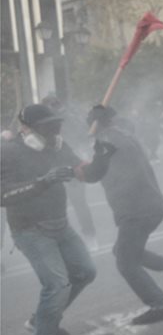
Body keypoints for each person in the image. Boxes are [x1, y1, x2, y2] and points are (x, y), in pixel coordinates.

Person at [1, 104, 115, 335]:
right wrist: (44, 181)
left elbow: (86, 173)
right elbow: (3, 195)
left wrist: (102, 159)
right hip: (30, 230)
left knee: (85, 272)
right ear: (27, 129)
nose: (55, 129)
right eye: (48, 125)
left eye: (57, 124)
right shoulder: (8, 152)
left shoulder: (57, 146)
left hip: (60, 225)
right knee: (57, 285)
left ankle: (40, 320)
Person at [88, 105, 163, 324]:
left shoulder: (106, 142)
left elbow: (94, 173)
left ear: (96, 124)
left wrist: (77, 169)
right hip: (148, 206)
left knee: (125, 262)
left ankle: (162, 305)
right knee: (123, 251)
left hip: (135, 210)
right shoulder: (123, 136)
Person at [41, 95, 99, 250]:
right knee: (60, 206)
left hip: (70, 165)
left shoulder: (67, 119)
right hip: (56, 168)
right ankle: (74, 239)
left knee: (78, 204)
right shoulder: (49, 123)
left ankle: (90, 236)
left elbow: (81, 137)